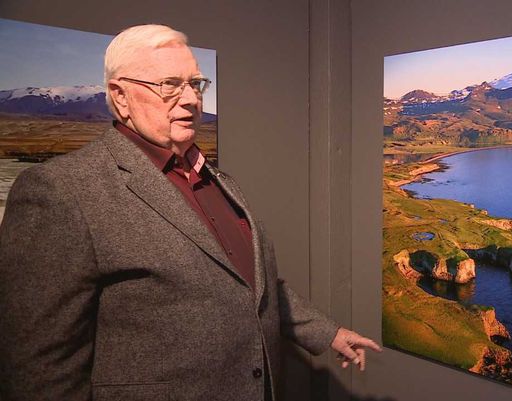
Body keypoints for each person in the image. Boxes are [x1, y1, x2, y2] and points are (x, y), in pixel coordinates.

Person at [0, 24, 380, 401]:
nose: (190, 100)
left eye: (195, 85)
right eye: (169, 85)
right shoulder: (62, 191)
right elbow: (39, 369)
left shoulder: (219, 181)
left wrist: (327, 333)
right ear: (120, 97)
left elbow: (254, 286)